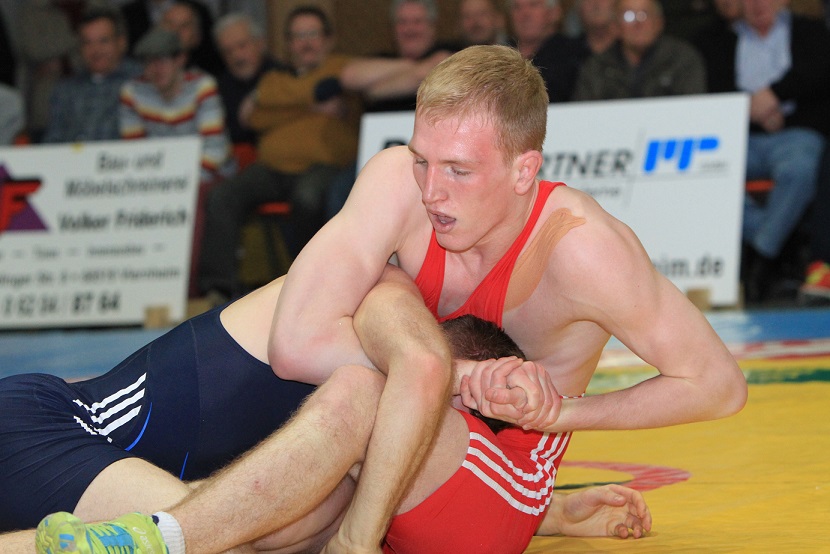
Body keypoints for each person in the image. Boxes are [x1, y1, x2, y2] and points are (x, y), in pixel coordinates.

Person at [0, 269, 650, 552]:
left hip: (86, 471)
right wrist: (482, 384)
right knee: (213, 542)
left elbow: (404, 486)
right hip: (47, 426)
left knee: (242, 526)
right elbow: (419, 373)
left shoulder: (356, 437)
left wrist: (550, 514)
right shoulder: (380, 300)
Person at [696, 0, 830, 303]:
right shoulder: (720, 39)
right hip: (739, 135)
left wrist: (775, 96)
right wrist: (751, 108)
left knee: (801, 170)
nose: (758, 4)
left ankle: (761, 257)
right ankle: (770, 246)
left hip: (796, 132)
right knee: (708, 171)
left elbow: (819, 75)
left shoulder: (810, 31)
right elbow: (713, 87)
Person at [41, 5, 142, 144]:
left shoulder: (141, 82)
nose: (95, 50)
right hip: (72, 157)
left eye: (103, 41)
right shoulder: (65, 90)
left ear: (121, 42)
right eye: (87, 43)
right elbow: (52, 142)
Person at [571, 0, 707, 100]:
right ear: (616, 26)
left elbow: (692, 110)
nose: (638, 24)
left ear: (659, 22)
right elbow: (583, 115)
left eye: (644, 14)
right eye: (628, 16)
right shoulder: (597, 66)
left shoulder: (682, 59)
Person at [366, 0, 460, 113]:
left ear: (432, 26)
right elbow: (351, 74)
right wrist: (419, 67)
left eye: (417, 21)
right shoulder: (381, 58)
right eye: (402, 22)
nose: (410, 28)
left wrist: (374, 90)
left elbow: (421, 76)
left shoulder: (451, 51)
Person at [212, 12, 285, 146]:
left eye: (242, 46)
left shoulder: (284, 77)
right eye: (228, 51)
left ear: (260, 43)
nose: (237, 56)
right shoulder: (218, 89)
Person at [508, 0, 590, 102]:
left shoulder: (577, 55)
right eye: (517, 7)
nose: (525, 14)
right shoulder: (500, 57)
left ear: (554, 12)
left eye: (533, 5)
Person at [160, 0, 225, 77]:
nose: (175, 31)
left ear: (197, 35)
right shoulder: (148, 68)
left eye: (184, 26)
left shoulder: (210, 76)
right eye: (170, 24)